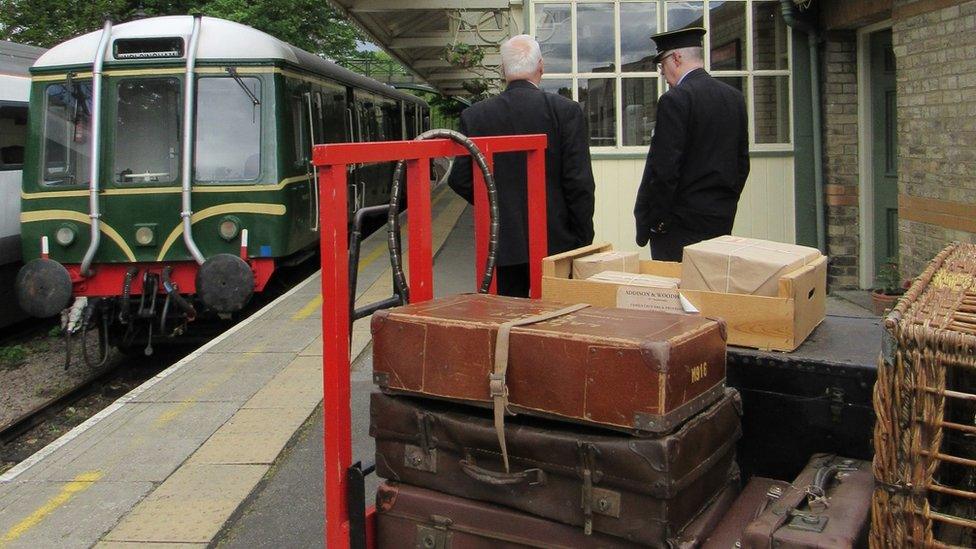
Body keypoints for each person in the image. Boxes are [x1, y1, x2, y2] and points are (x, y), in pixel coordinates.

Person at [448, 34, 595, 297]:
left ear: (503, 70)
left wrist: (494, 204)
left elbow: (459, 179)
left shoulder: (476, 116)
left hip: (501, 242)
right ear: (541, 66)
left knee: (506, 323)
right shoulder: (566, 111)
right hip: (557, 241)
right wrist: (583, 240)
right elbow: (579, 182)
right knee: (552, 322)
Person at [633, 27, 750, 262]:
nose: (662, 73)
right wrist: (724, 205)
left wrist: (658, 220)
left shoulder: (675, 99)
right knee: (709, 292)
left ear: (676, 58)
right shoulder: (733, 97)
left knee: (677, 295)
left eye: (662, 64)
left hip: (678, 226)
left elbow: (665, 169)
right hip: (720, 220)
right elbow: (741, 164)